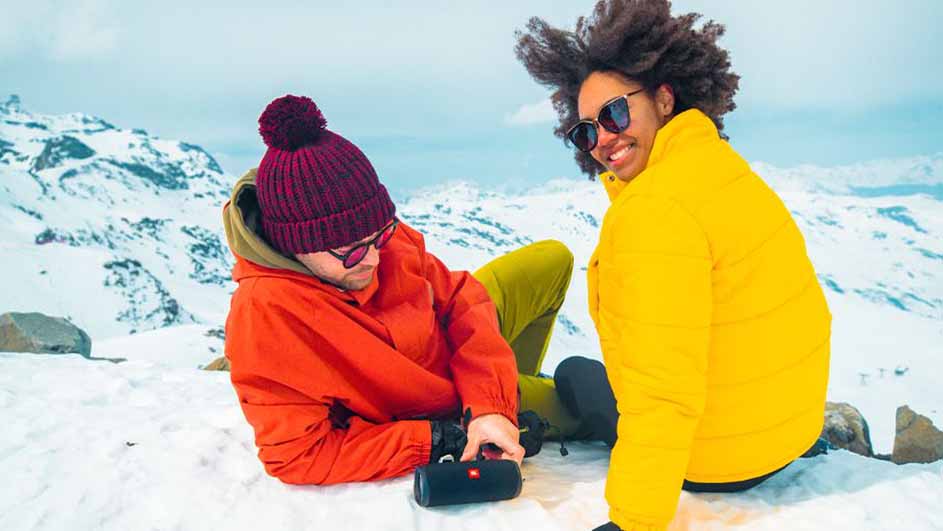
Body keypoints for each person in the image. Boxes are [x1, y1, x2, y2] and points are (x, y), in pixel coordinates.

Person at [515, 1, 832, 529]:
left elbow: (662, 391)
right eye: (586, 132)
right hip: (791, 432)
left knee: (574, 375)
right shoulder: (719, 166)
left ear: (664, 98)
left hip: (724, 460)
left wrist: (634, 520)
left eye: (615, 113)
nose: (604, 141)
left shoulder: (653, 212)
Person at [221, 94, 612, 486]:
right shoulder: (266, 318)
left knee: (553, 259)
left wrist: (492, 403)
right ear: (296, 244)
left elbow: (460, 297)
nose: (374, 259)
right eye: (351, 252)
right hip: (443, 402)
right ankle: (521, 397)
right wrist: (439, 437)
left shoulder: (367, 238)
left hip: (457, 356)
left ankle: (506, 387)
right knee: (589, 403)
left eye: (380, 236)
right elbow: (299, 456)